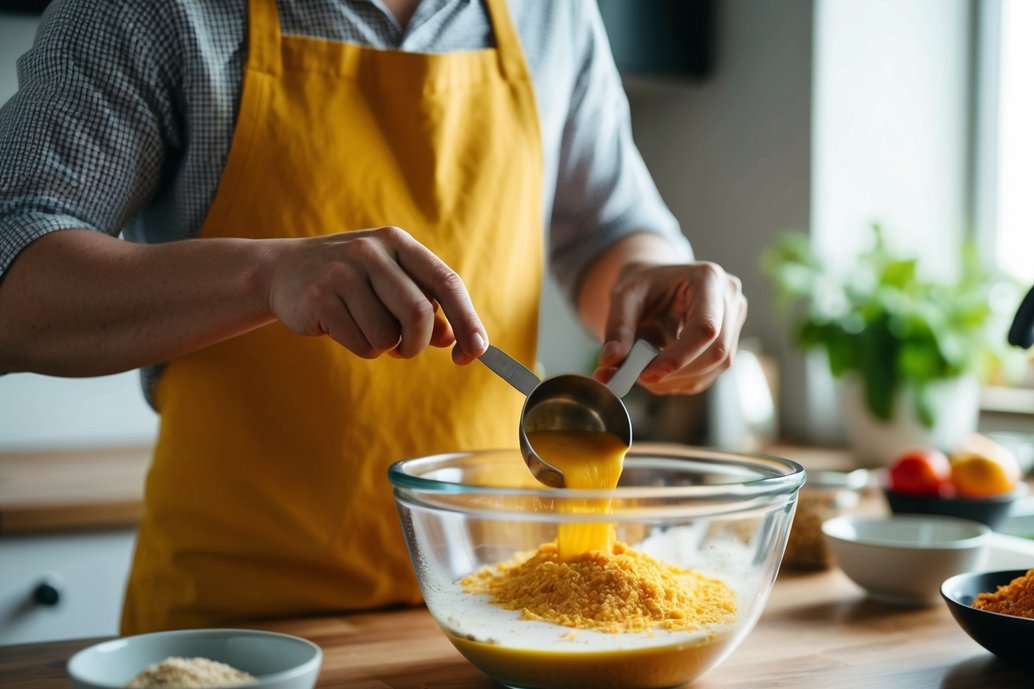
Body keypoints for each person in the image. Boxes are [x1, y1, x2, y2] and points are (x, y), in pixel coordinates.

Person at [0, 0, 747, 634]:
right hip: (236, 636)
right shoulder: (152, 11)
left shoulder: (550, 10)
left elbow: (606, 226)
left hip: (493, 612)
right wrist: (267, 275)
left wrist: (648, 275)